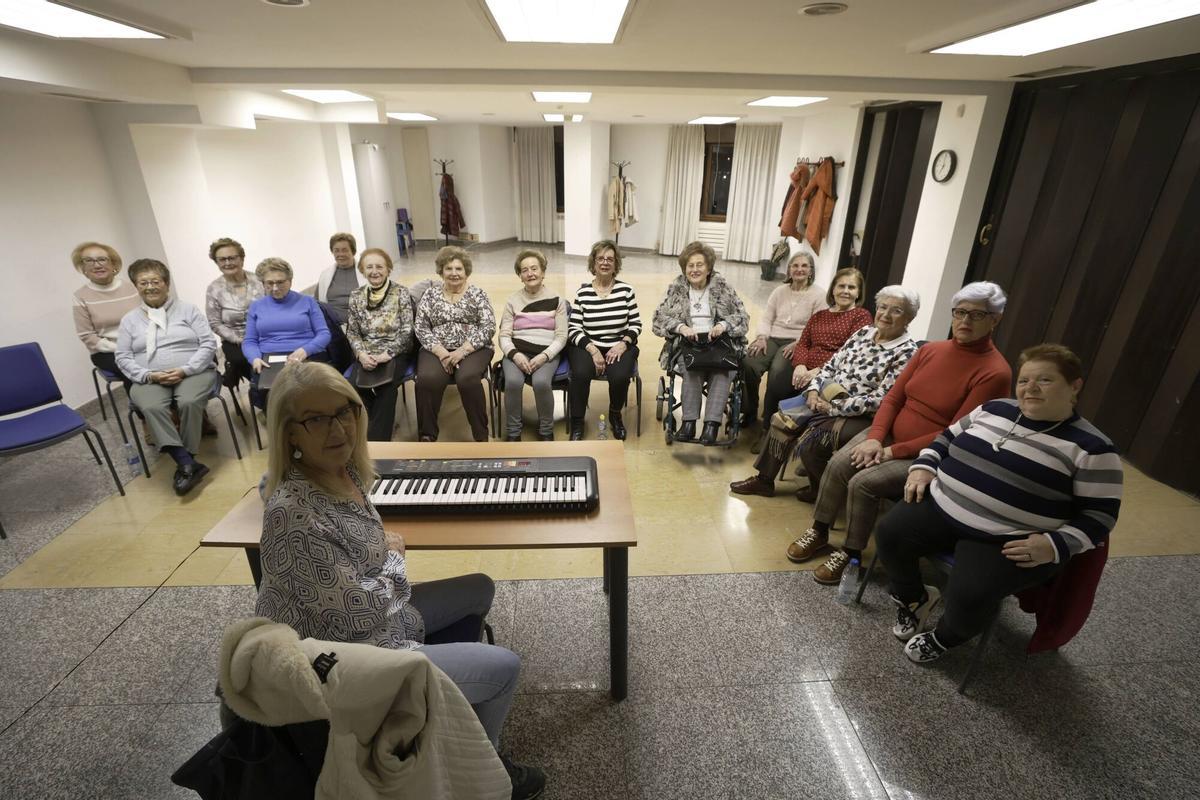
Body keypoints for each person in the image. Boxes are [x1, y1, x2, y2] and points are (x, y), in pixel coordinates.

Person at [253, 362, 545, 799]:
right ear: (290, 432)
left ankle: (445, 719)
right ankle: (481, 774)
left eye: (345, 412)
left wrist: (384, 561)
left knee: (479, 586)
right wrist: (392, 557)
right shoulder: (291, 513)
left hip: (377, 613)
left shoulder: (342, 470)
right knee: (506, 667)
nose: (338, 429)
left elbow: (270, 484)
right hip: (349, 656)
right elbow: (357, 619)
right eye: (317, 419)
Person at [875, 344, 1123, 665]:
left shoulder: (1092, 448)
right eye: (1023, 380)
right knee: (889, 534)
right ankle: (914, 599)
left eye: (1044, 380)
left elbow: (1100, 515)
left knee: (971, 596)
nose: (1029, 388)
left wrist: (1055, 545)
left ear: (1074, 386)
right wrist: (925, 466)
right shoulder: (994, 409)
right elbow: (946, 438)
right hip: (942, 506)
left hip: (1006, 538)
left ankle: (947, 636)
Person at [785, 281, 1013, 586]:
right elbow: (893, 398)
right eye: (959, 312)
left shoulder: (995, 372)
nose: (964, 321)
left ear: (995, 319)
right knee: (839, 463)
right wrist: (877, 437)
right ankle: (820, 530)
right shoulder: (931, 350)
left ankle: (851, 554)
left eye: (977, 315)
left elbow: (956, 433)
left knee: (863, 482)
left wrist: (892, 451)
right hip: (889, 434)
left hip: (930, 453)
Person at [730, 286, 920, 501]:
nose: (885, 314)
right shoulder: (864, 333)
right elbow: (831, 365)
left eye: (896, 311)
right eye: (883, 307)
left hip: (860, 415)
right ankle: (764, 480)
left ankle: (823, 490)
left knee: (814, 439)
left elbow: (882, 399)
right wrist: (813, 389)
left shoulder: (907, 352)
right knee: (781, 420)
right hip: (825, 396)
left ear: (909, 318)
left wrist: (833, 408)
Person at [115, 258, 218, 496]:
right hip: (150, 377)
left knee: (189, 402)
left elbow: (208, 343)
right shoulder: (130, 320)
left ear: (167, 284)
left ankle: (187, 461)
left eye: (155, 281)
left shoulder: (188, 310)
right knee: (150, 406)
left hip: (193, 371)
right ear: (136, 286)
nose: (150, 287)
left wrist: (186, 369)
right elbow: (122, 356)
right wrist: (148, 375)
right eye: (143, 282)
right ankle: (186, 463)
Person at [755, 267, 872, 452]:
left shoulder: (861, 316)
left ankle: (805, 444)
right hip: (806, 366)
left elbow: (850, 353)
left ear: (859, 293)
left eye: (852, 287)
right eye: (841, 286)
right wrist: (800, 365)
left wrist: (817, 372)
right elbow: (803, 343)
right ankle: (768, 431)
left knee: (806, 392)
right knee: (777, 381)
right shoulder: (820, 315)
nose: (846, 291)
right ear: (833, 289)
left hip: (833, 373)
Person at [651, 241, 749, 445]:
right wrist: (680, 327)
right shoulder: (677, 288)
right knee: (691, 368)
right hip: (689, 345)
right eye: (690, 265)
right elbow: (658, 318)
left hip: (719, 344)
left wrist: (722, 325)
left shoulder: (723, 288)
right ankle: (688, 423)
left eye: (699, 265)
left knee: (723, 371)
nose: (694, 269)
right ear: (684, 268)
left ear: (709, 267)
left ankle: (712, 425)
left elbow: (742, 316)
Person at [414, 246, 496, 442]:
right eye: (448, 268)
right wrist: (442, 352)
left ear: (466, 271)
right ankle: (427, 434)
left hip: (474, 347)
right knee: (426, 379)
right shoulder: (430, 294)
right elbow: (421, 327)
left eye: (458, 269)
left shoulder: (478, 294)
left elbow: (488, 326)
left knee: (467, 379)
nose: (454, 273)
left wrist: (462, 351)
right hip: (436, 348)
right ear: (441, 271)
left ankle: (480, 435)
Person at [566, 240, 642, 441]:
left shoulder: (626, 291)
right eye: (600, 258)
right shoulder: (583, 293)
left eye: (610, 259)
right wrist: (592, 349)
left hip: (619, 344)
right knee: (580, 373)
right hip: (588, 344)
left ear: (616, 264)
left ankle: (615, 415)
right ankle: (577, 421)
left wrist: (623, 344)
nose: (605, 262)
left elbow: (636, 325)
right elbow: (573, 328)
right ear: (593, 263)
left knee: (619, 376)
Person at [741, 251, 825, 426]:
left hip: (796, 342)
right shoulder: (779, 291)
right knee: (749, 363)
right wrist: (762, 337)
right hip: (772, 337)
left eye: (804, 266)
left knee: (778, 373)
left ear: (811, 271)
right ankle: (748, 412)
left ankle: (768, 423)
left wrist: (799, 343)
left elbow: (816, 327)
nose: (799, 269)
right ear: (789, 270)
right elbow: (766, 317)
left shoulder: (819, 295)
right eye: (795, 265)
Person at [497, 249, 568, 442]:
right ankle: (513, 432)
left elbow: (562, 336)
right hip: (517, 351)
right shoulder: (512, 300)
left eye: (534, 268)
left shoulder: (557, 300)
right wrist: (514, 355)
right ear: (520, 276)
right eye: (525, 270)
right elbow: (504, 335)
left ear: (543, 272)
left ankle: (546, 430)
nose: (530, 273)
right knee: (512, 382)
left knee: (541, 382)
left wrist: (545, 356)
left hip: (546, 352)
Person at [243, 257, 331, 408]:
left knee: (309, 393)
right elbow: (250, 341)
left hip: (306, 355)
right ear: (262, 283)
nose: (275, 288)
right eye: (269, 283)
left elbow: (324, 334)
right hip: (268, 360)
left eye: (280, 282)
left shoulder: (307, 302)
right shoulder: (256, 307)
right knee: (269, 395)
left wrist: (305, 350)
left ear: (290, 280)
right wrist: (255, 359)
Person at [345, 248, 414, 441]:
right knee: (353, 387)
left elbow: (408, 330)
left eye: (379, 266)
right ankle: (377, 428)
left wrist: (388, 354)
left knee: (386, 386)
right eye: (369, 267)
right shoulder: (356, 296)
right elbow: (352, 331)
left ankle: (377, 444)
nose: (374, 271)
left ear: (388, 269)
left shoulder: (400, 292)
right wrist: (360, 354)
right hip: (366, 352)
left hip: (396, 351)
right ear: (362, 270)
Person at [70, 241, 141, 389]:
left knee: (166, 359)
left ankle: (174, 408)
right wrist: (121, 348)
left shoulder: (132, 287)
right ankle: (146, 410)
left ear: (113, 264)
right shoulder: (81, 296)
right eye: (88, 260)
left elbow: (148, 318)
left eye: (102, 259)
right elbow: (87, 336)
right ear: (83, 268)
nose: (96, 265)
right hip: (107, 352)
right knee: (132, 368)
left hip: (139, 344)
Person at [205, 237, 264, 390]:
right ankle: (262, 394)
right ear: (216, 262)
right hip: (236, 341)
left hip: (265, 334)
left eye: (232, 258)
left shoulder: (260, 280)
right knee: (247, 362)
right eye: (222, 259)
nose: (227, 263)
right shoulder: (214, 289)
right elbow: (215, 323)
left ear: (242, 258)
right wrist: (240, 340)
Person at [315, 231, 366, 326]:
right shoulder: (325, 275)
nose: (340, 254)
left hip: (360, 325)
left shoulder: (366, 273)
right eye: (336, 250)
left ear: (353, 251)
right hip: (333, 326)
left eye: (345, 250)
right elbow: (317, 303)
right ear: (332, 252)